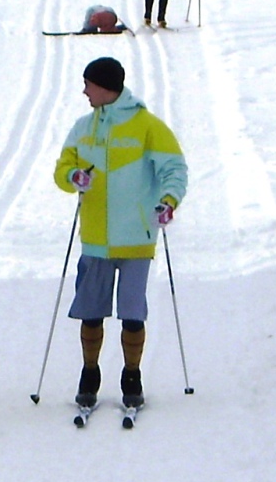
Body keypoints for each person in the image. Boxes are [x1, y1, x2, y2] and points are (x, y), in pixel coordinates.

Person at [53, 57, 188, 410]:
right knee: (90, 311)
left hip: (137, 238)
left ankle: (132, 376)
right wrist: (73, 177)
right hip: (95, 239)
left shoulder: (147, 126)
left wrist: (168, 200)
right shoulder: (83, 127)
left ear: (105, 87)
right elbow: (62, 169)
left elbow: (174, 168)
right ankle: (89, 374)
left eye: (88, 84)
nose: (84, 91)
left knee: (132, 312)